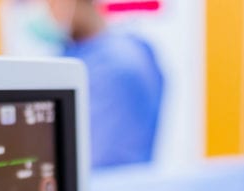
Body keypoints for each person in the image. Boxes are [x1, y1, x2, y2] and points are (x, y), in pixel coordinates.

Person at [43, 0, 164, 168]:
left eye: (48, 4)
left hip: (110, 185)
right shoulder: (76, 53)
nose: (43, 12)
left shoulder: (117, 64)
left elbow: (102, 158)